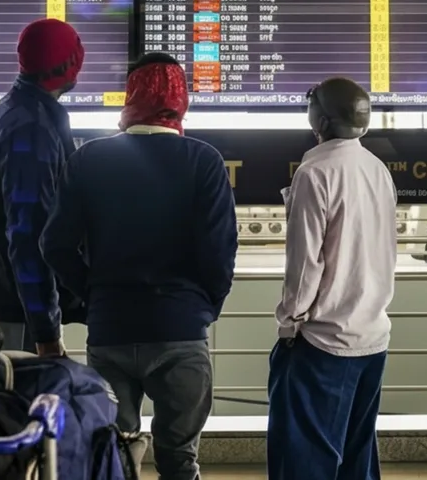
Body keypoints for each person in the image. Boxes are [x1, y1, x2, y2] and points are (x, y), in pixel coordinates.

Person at [41, 52, 238, 480]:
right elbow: (220, 251)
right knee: (180, 459)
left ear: (130, 97)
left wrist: (92, 293)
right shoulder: (203, 160)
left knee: (112, 457)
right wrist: (204, 305)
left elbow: (53, 243)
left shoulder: (89, 159)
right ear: (181, 101)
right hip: (181, 328)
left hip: (111, 328)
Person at [267, 77, 397, 480]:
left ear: (320, 120)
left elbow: (306, 264)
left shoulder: (315, 172)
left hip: (323, 341)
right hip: (372, 337)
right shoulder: (378, 170)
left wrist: (290, 324)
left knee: (305, 459)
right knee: (357, 457)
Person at [0, 18, 87, 355]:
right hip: (21, 315)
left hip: (4, 302)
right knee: (27, 404)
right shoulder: (32, 131)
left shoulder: (6, 111)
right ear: (68, 64)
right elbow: (29, 236)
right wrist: (46, 332)